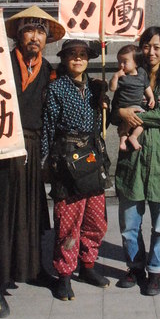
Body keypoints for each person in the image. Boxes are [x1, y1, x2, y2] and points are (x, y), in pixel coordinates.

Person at [0, 5, 65, 317]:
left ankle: (31, 268)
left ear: (47, 38)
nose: (34, 37)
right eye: (29, 29)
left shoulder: (50, 70)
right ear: (18, 34)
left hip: (32, 148)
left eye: (40, 31)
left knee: (29, 214)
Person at [115, 26, 160, 296]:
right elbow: (113, 113)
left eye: (157, 46)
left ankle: (156, 271)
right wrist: (120, 110)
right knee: (129, 224)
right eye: (146, 46)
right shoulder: (128, 76)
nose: (151, 52)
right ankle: (134, 267)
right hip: (132, 160)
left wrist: (132, 115)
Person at [41, 39, 110, 301]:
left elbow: (103, 121)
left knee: (95, 219)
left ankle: (89, 265)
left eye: (83, 55)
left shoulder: (96, 87)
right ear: (65, 58)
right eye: (72, 55)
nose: (78, 59)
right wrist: (45, 161)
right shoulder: (56, 88)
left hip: (92, 158)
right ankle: (64, 275)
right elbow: (48, 127)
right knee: (68, 221)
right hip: (66, 160)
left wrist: (106, 103)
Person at [109, 44, 155, 151]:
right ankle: (128, 139)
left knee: (141, 121)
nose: (121, 65)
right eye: (119, 61)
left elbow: (146, 86)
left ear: (136, 63)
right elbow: (112, 88)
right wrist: (115, 77)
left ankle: (130, 138)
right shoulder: (122, 77)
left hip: (136, 106)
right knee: (131, 122)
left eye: (125, 62)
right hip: (123, 106)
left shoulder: (142, 73)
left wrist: (151, 98)